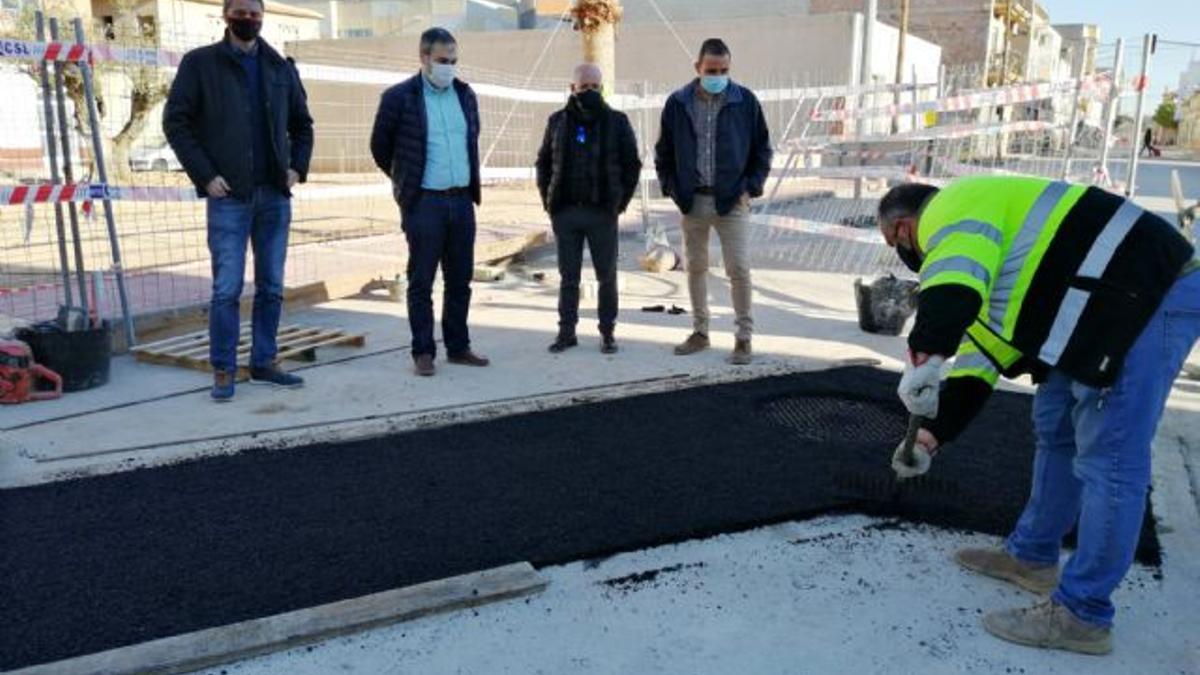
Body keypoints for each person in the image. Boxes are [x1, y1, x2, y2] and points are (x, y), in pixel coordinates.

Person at [878, 176, 1199, 654]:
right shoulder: (994, 246)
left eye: (896, 244)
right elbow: (978, 362)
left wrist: (925, 352)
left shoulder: (953, 210)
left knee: (1109, 458)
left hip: (1148, 295)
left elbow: (952, 290)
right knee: (1055, 425)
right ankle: (1031, 557)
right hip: (1100, 303)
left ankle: (1082, 614)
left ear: (904, 229)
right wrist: (929, 437)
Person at [164, 0, 313, 402]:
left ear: (263, 17)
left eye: (254, 13)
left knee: (272, 286)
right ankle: (224, 369)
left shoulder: (280, 67)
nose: (248, 19)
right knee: (226, 289)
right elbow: (175, 122)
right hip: (228, 196)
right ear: (226, 15)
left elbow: (302, 125)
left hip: (274, 197)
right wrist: (205, 175)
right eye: (240, 12)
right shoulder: (201, 64)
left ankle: (264, 362)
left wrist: (297, 168)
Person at [370, 28, 489, 377]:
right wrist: (406, 181)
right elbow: (380, 148)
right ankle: (423, 351)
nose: (448, 67)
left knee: (460, 280)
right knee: (421, 281)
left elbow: (472, 137)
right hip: (424, 203)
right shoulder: (399, 98)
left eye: (453, 61)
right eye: (441, 61)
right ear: (423, 57)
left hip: (462, 201)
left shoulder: (465, 95)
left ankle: (458, 346)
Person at [655, 38, 772, 365]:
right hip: (693, 202)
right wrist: (672, 187)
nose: (718, 76)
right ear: (698, 68)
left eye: (723, 70)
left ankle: (744, 338)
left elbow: (762, 150)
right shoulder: (678, 103)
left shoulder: (745, 101)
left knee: (739, 269)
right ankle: (700, 332)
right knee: (695, 268)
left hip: (732, 201)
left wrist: (750, 188)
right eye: (711, 70)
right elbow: (663, 151)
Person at [536, 63, 641, 354]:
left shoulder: (617, 122)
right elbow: (543, 163)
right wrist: (550, 202)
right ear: (573, 88)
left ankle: (608, 333)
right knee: (569, 277)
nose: (590, 91)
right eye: (584, 87)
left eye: (595, 87)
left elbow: (632, 164)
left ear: (602, 88)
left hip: (602, 214)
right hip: (566, 213)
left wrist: (618, 204)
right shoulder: (557, 122)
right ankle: (566, 332)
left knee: (606, 275)